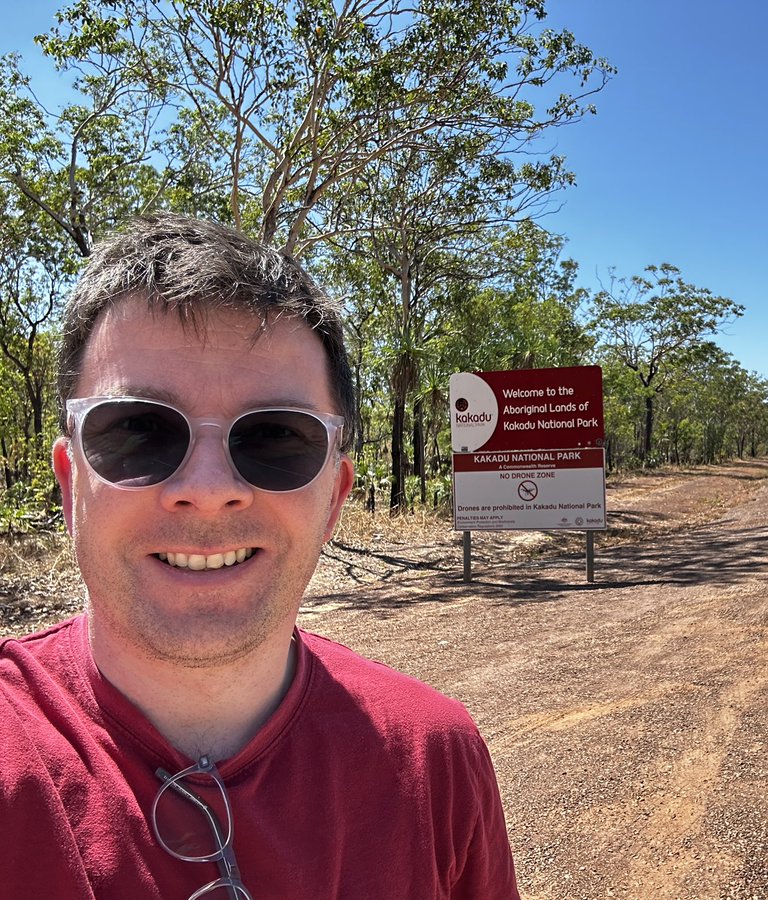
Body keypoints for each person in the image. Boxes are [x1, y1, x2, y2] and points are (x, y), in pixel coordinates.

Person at [0, 213, 520, 899]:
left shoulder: (433, 757)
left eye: (275, 438)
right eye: (137, 432)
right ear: (72, 485)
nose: (209, 491)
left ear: (334, 498)